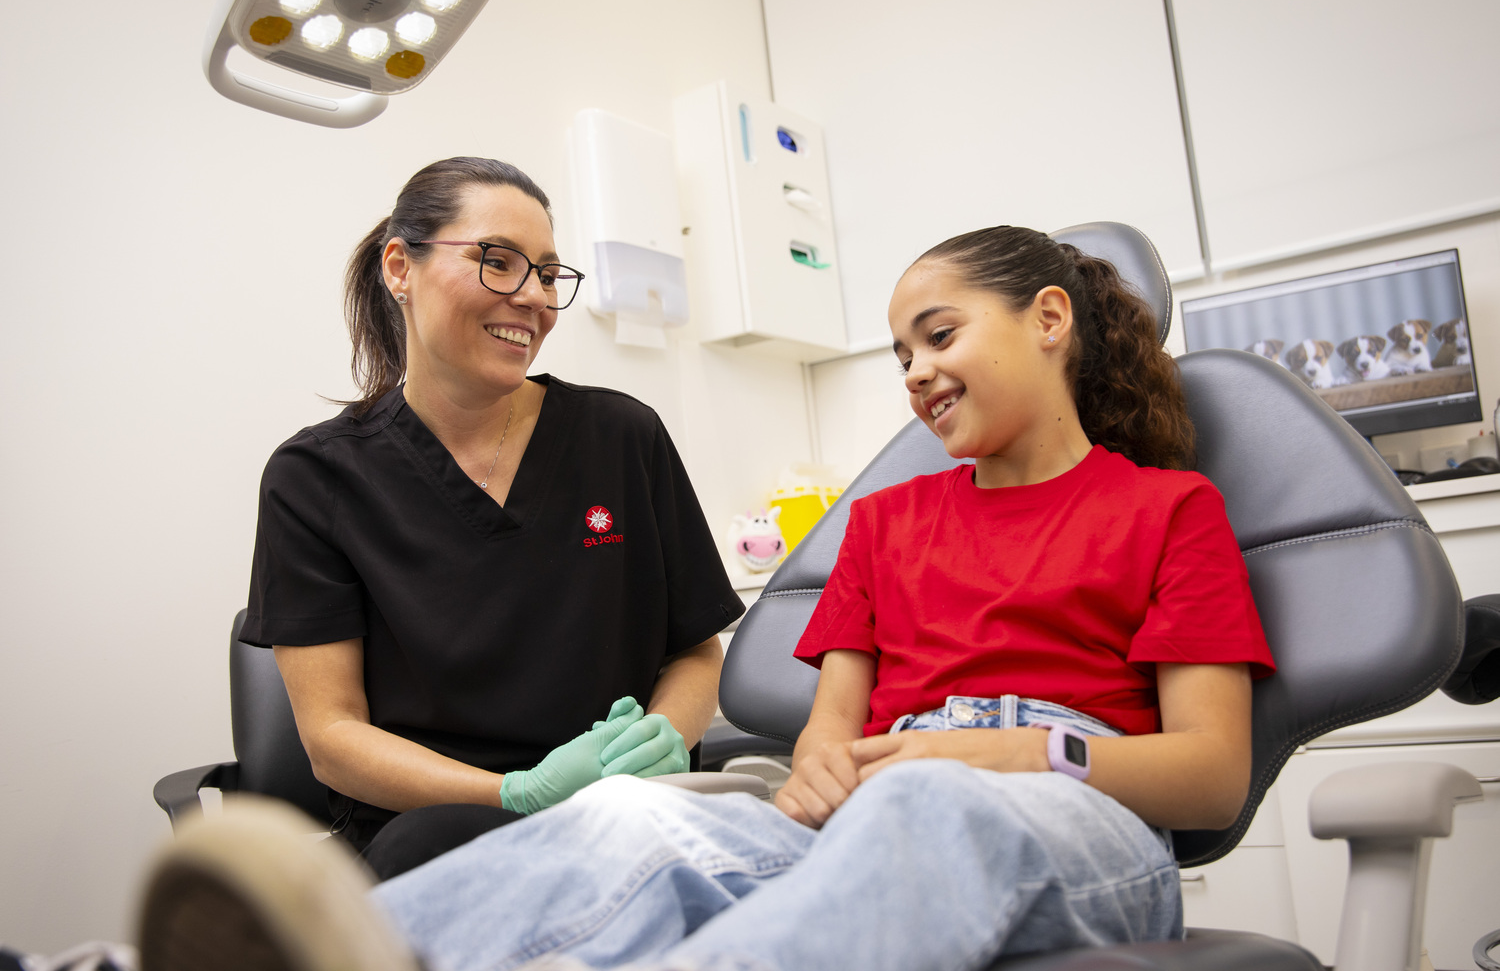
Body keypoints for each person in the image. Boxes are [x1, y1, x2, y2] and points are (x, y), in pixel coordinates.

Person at [132, 224, 1275, 971]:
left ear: (1049, 320)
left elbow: (1208, 775)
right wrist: (834, 767)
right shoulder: (884, 523)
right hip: (884, 800)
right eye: (900, 354)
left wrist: (1000, 758)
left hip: (1076, 821)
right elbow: (834, 739)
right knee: (630, 821)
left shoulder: (1167, 513)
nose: (918, 372)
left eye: (939, 336)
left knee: (931, 809)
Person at [241, 157, 743, 876]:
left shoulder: (623, 436)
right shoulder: (314, 478)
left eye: (546, 274)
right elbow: (333, 736)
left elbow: (694, 650)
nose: (534, 297)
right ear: (399, 268)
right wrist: (515, 795)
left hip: (624, 811)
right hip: (436, 832)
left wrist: (664, 734)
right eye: (498, 262)